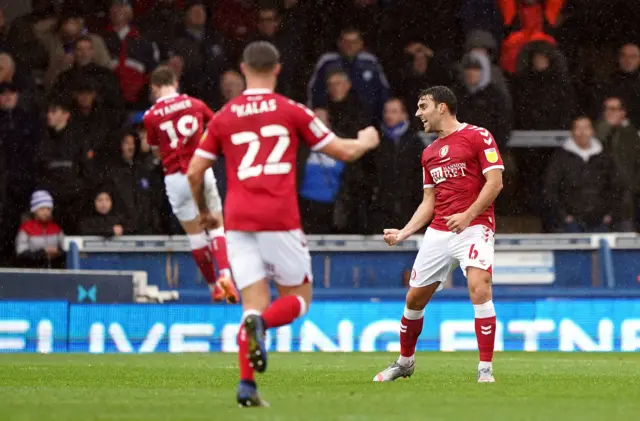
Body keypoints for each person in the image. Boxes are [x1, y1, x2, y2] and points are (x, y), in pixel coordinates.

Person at [187, 41, 380, 407]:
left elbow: (194, 171)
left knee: (252, 304)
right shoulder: (291, 111)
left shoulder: (225, 116)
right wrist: (366, 141)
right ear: (276, 69)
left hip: (238, 220)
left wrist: (205, 211)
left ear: (243, 68)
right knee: (298, 299)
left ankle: (247, 387)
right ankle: (262, 328)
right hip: (279, 218)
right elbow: (343, 151)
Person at [372, 86, 504, 384]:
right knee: (414, 299)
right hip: (440, 231)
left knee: (479, 287)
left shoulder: (478, 136)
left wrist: (468, 215)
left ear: (442, 107)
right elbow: (429, 202)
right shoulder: (429, 153)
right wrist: (404, 233)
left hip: (475, 226)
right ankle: (405, 362)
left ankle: (485, 369)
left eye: (423, 107)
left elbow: (494, 183)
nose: (418, 114)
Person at [143, 65, 237, 304]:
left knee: (195, 236)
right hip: (199, 170)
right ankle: (226, 276)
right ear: (175, 83)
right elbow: (217, 127)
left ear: (154, 88)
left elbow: (155, 150)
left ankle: (212, 285)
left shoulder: (151, 116)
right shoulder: (195, 104)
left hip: (175, 178)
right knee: (216, 226)